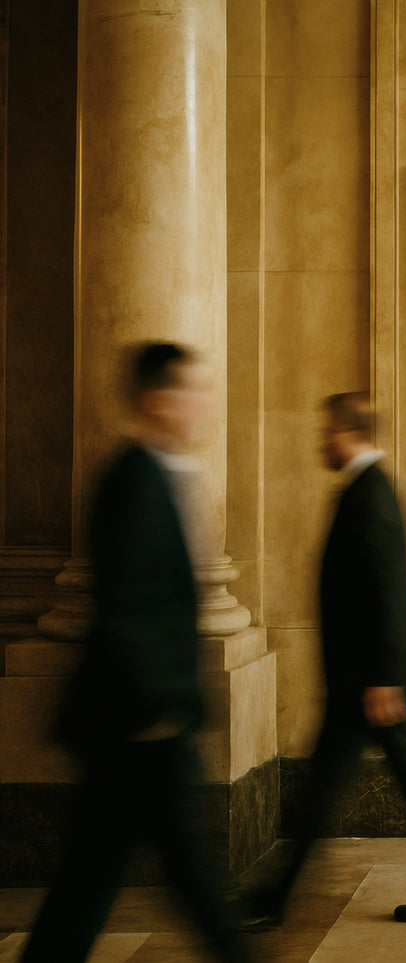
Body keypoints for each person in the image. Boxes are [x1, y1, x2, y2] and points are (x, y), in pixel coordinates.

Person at [23, 343, 250, 963]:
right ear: (159, 399)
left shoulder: (157, 476)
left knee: (93, 874)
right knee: (184, 875)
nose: (203, 404)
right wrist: (155, 708)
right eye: (192, 391)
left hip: (133, 719)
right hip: (141, 720)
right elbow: (128, 605)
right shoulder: (133, 481)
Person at [242, 392, 406, 930]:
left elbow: (390, 588)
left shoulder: (371, 493)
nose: (320, 441)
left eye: (327, 431)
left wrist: (385, 679)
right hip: (363, 679)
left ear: (349, 432)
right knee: (338, 786)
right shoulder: (365, 489)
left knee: (384, 783)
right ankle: (277, 898)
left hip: (370, 682)